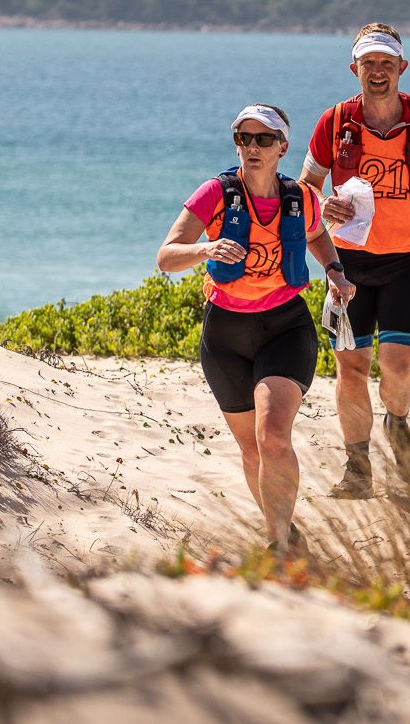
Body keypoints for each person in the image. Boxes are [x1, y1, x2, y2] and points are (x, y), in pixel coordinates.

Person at [157, 104, 353, 554]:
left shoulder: (299, 197)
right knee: (251, 451)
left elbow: (317, 234)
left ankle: (278, 544)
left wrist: (336, 272)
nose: (252, 147)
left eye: (263, 139)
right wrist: (206, 249)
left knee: (273, 436)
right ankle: (284, 529)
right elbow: (166, 256)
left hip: (284, 327)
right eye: (243, 138)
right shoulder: (215, 194)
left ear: (283, 147)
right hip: (224, 334)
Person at [300, 23, 410, 496]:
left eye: (386, 64)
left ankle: (397, 424)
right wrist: (320, 205)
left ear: (402, 68)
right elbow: (306, 187)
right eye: (368, 63)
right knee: (350, 369)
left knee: (398, 366)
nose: (377, 72)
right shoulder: (334, 122)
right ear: (354, 68)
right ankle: (357, 469)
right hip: (345, 265)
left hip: (407, 262)